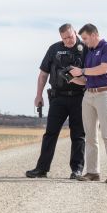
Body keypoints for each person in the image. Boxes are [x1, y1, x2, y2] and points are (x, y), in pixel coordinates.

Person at [26, 23, 87, 179]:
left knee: (78, 135)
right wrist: (38, 95)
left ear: (75, 32)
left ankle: (77, 170)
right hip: (58, 97)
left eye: (70, 36)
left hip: (79, 97)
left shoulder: (86, 49)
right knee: (50, 134)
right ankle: (42, 169)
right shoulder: (54, 49)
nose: (68, 40)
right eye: (65, 38)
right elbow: (43, 75)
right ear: (61, 37)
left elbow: (91, 75)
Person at [69, 23, 107, 183]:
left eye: (84, 38)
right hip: (88, 95)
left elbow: (103, 69)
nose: (83, 42)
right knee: (90, 136)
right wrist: (72, 78)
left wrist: (82, 71)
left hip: (104, 94)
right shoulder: (89, 52)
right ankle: (92, 172)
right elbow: (86, 79)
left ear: (93, 35)